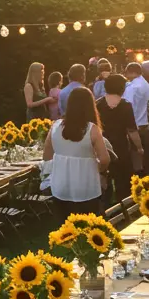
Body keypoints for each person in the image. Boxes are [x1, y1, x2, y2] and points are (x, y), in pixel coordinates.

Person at [43, 85, 110, 216]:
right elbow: (104, 159)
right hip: (86, 186)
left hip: (61, 185)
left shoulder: (55, 126)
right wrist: (98, 169)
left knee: (64, 229)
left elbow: (46, 156)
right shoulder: (92, 129)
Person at [96, 74, 143, 199]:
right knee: (123, 176)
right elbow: (132, 130)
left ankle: (107, 201)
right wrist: (139, 147)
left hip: (103, 145)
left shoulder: (98, 104)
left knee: (106, 175)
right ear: (121, 88)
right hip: (121, 145)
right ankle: (123, 201)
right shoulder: (125, 105)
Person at [124, 61, 149, 171]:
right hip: (145, 123)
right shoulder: (145, 84)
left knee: (136, 157)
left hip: (136, 125)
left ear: (132, 72)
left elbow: (127, 106)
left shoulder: (133, 87)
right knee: (146, 157)